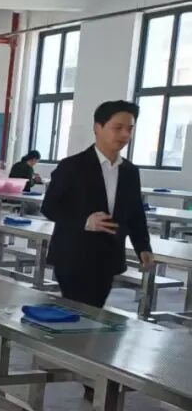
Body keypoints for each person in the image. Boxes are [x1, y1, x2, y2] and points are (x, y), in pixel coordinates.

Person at [41, 100, 153, 313]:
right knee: (77, 311)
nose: (124, 135)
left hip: (108, 256)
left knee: (94, 311)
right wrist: (85, 221)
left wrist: (143, 246)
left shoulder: (130, 172)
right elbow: (50, 207)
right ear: (97, 128)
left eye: (129, 129)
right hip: (73, 254)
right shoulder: (72, 166)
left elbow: (135, 213)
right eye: (117, 128)